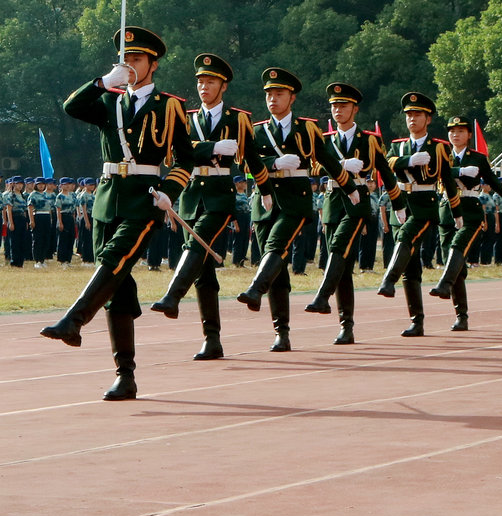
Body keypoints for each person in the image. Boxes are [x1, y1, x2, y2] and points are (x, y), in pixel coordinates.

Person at [41, 27, 192, 400]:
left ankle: (73, 320)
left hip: (145, 198)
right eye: (126, 60)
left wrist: (170, 191)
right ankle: (125, 375)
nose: (131, 66)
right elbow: (71, 107)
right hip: (108, 198)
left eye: (137, 60)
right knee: (117, 285)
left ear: (153, 65)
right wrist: (101, 82)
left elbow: (186, 158)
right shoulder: (110, 101)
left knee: (113, 259)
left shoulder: (169, 105)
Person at [148, 54, 252, 360]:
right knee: (204, 272)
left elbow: (255, 156)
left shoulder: (237, 120)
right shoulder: (185, 117)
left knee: (196, 244)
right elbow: (172, 151)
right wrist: (210, 147)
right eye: (200, 82)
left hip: (220, 197)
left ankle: (171, 296)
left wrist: (268, 188)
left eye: (210, 82)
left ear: (223, 86)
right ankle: (212, 338)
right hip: (192, 196)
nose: (203, 87)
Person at [234, 65, 323, 354]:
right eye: (269, 94)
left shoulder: (305, 129)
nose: (273, 98)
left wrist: (348, 184)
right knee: (277, 268)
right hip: (264, 200)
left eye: (279, 93)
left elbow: (326, 159)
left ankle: (254, 289)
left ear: (292, 97)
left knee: (275, 247)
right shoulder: (255, 130)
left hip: (294, 201)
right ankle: (281, 332)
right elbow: (245, 164)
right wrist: (272, 163)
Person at [304, 83, 394, 346]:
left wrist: (398, 204)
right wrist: (340, 165)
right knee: (342, 266)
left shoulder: (369, 140)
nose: (337, 110)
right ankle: (346, 326)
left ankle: (322, 296)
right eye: (333, 106)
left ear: (354, 109)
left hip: (358, 202)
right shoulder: (323, 139)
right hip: (332, 201)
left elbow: (386, 174)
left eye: (342, 106)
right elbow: (313, 167)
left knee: (339, 248)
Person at [374, 93, 453, 338]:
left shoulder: (439, 146)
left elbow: (448, 180)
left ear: (427, 119)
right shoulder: (398, 145)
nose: (412, 119)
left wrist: (456, 210)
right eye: (409, 114)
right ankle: (416, 321)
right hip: (403, 203)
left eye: (417, 114)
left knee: (405, 238)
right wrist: (409, 160)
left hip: (425, 205)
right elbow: (386, 163)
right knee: (411, 266)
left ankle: (388, 279)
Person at [428, 116, 502, 332]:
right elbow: (436, 172)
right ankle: (460, 315)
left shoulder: (479, 158)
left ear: (469, 135)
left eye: (461, 131)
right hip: (446, 211)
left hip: (469, 211)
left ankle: (446, 291)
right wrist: (459, 172)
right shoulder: (441, 154)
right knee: (454, 265)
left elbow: (494, 181)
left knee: (457, 251)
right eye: (452, 131)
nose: (456, 135)